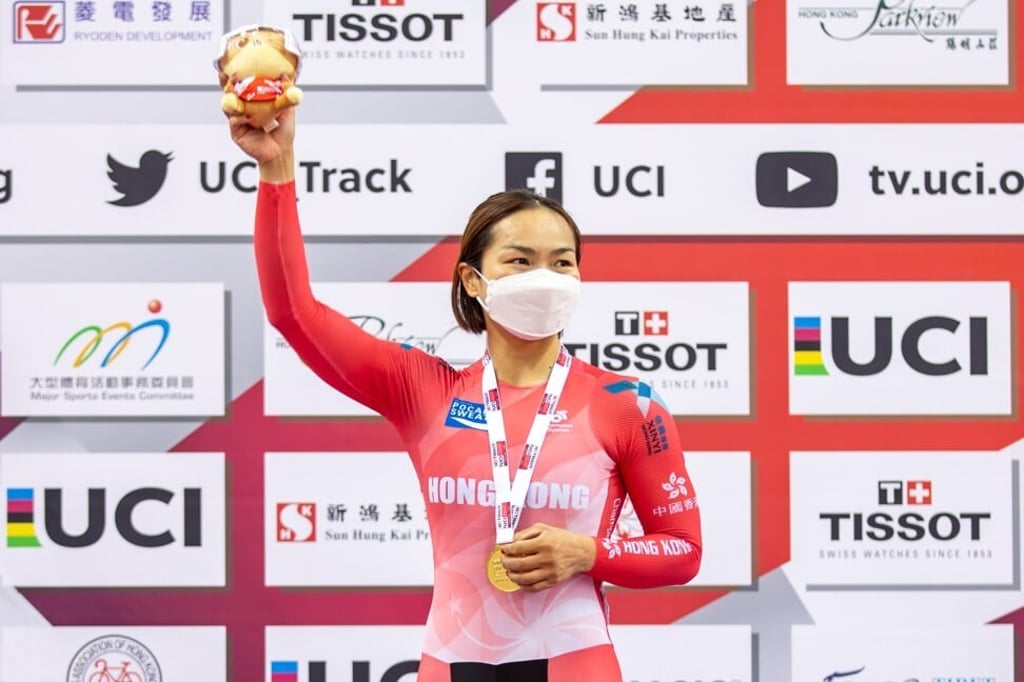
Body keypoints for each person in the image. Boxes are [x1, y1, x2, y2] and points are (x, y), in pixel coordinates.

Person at [229, 107, 703, 682]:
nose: (545, 276)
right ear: (474, 282)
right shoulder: (423, 391)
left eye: (563, 262)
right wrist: (277, 167)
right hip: (451, 663)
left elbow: (682, 551)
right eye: (520, 261)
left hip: (574, 663)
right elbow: (294, 313)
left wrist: (588, 554)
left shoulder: (627, 404)